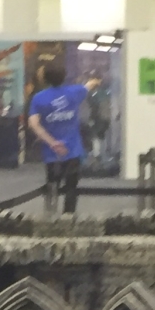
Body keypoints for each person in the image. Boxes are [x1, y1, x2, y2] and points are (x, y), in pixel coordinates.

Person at [27, 63, 100, 214]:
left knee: (52, 186)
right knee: (71, 188)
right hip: (73, 150)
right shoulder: (75, 92)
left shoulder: (38, 98)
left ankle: (50, 217)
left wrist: (52, 143)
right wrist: (96, 81)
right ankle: (69, 218)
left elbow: (34, 124)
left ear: (45, 78)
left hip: (51, 153)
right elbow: (89, 85)